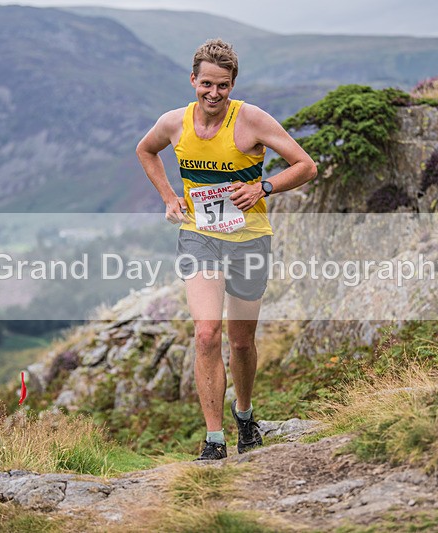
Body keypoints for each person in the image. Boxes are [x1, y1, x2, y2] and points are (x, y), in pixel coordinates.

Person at [136, 39, 316, 460]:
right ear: (193, 80)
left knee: (241, 342)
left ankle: (245, 414)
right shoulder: (174, 123)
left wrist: (262, 187)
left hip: (249, 240)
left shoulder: (251, 119)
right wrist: (169, 197)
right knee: (205, 334)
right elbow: (145, 150)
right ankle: (214, 440)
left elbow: (306, 166)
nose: (213, 93)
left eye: (222, 85)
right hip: (199, 236)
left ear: (232, 85)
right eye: (206, 84)